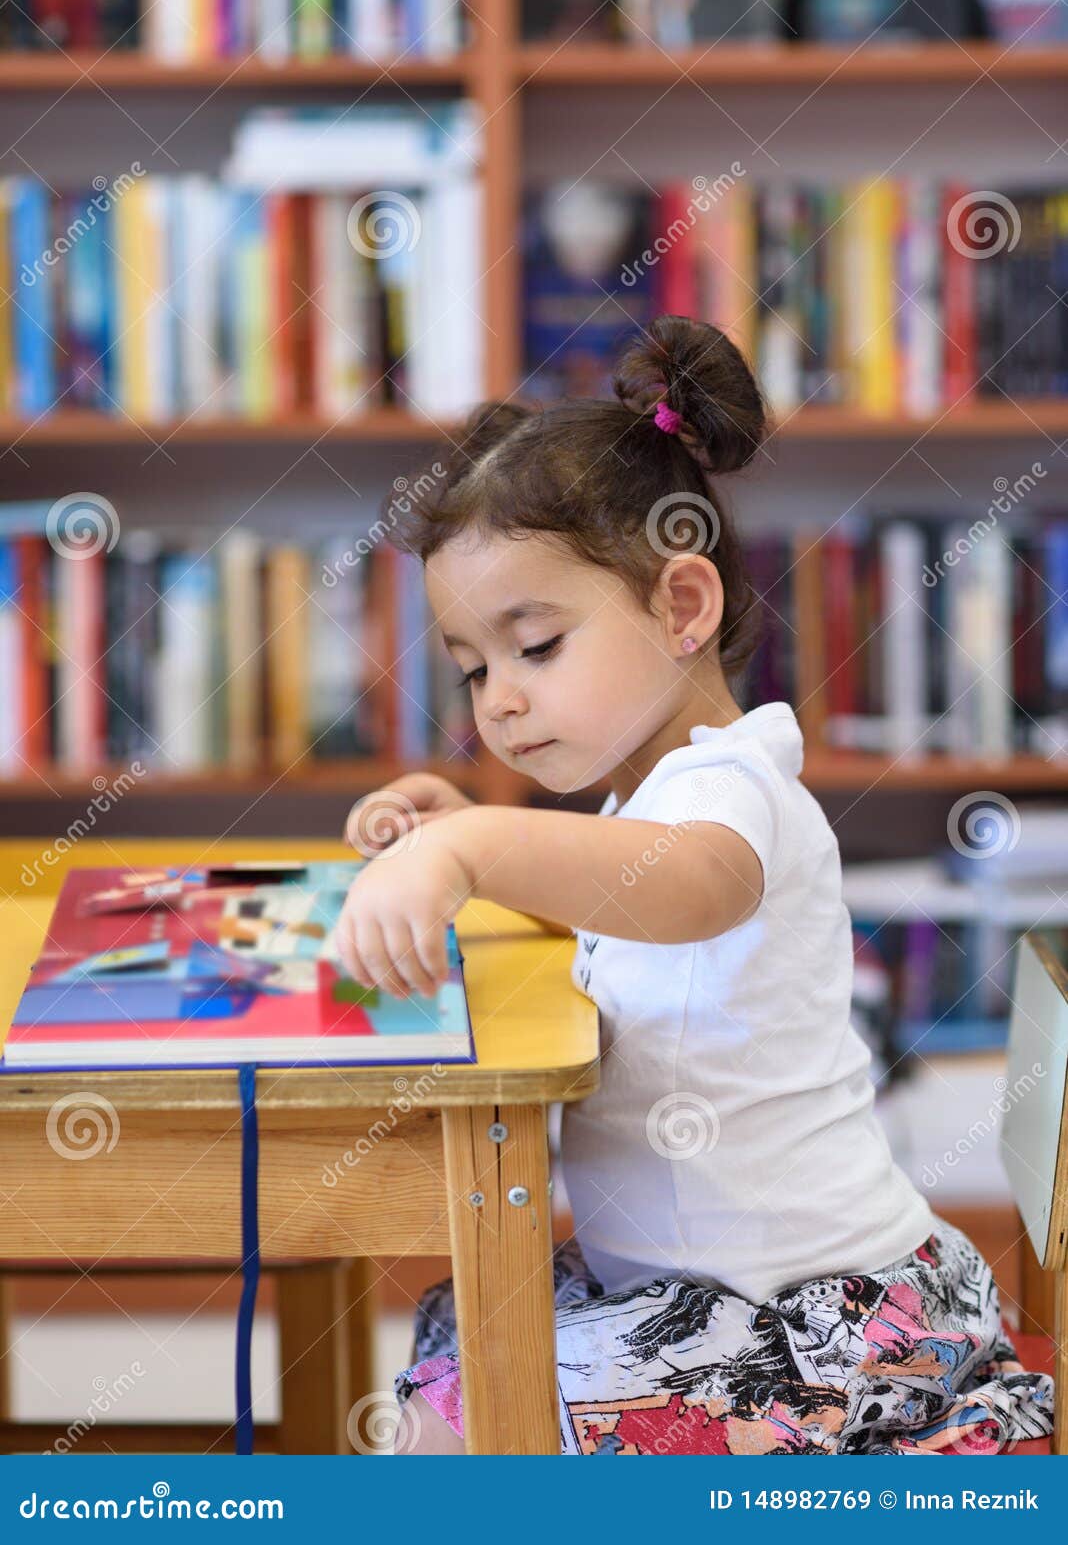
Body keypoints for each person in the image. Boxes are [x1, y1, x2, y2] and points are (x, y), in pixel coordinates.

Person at [334, 314, 1054, 1456]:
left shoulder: (737, 789)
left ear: (682, 607)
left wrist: (465, 854)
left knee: (443, 1424)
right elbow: (613, 892)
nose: (499, 701)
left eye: (536, 645)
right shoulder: (645, 799)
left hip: (823, 1331)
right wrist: (463, 829)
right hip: (710, 1298)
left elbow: (682, 889)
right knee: (459, 1343)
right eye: (473, 668)